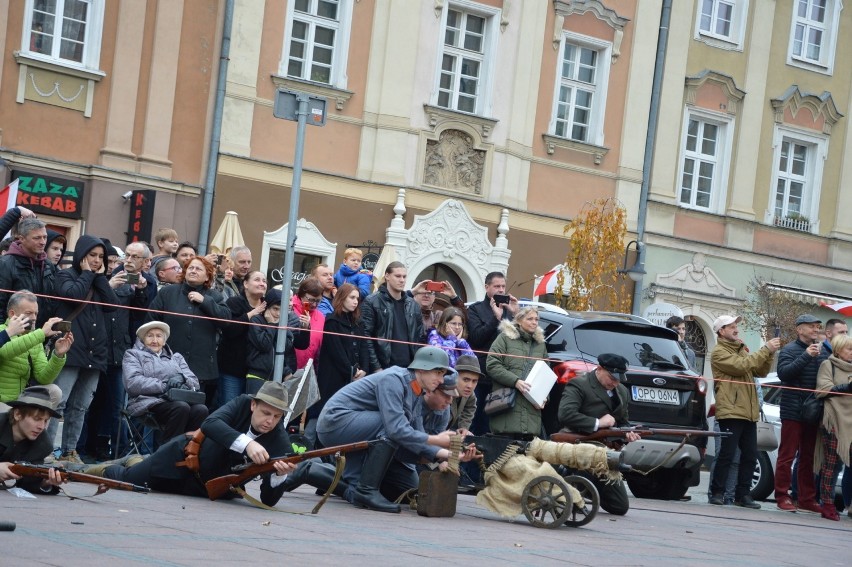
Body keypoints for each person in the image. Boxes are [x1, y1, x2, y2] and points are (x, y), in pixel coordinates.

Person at [91, 381, 299, 505]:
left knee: (139, 474)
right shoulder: (242, 403)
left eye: (277, 416)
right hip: (183, 460)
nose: (270, 421)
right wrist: (247, 444)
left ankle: (135, 460)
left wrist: (278, 477)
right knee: (128, 480)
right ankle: (81, 470)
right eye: (266, 413)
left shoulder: (280, 443)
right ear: (253, 405)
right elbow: (210, 423)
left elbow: (269, 501)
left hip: (213, 492)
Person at [316, 347, 460, 513]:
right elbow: (396, 430)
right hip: (334, 422)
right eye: (439, 373)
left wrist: (449, 455)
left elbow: (416, 440)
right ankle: (367, 490)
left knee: (398, 488)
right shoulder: (394, 379)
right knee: (390, 426)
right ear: (422, 368)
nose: (441, 380)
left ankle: (311, 471)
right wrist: (437, 441)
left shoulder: (416, 390)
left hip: (356, 429)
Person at [50, 235, 123, 463]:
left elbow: (112, 306)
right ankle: (49, 451)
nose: (96, 260)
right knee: (58, 403)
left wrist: (99, 277)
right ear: (81, 255)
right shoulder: (65, 275)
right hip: (70, 350)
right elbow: (72, 296)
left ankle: (70, 452)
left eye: (100, 257)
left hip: (95, 352)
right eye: (92, 255)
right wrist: (88, 274)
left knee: (80, 406)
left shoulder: (97, 279)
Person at [85, 240, 157, 460]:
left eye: (135, 257)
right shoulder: (109, 276)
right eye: (127, 255)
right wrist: (110, 285)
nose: (129, 260)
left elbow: (142, 315)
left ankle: (119, 452)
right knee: (91, 404)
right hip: (98, 348)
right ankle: (85, 448)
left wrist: (142, 291)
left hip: (123, 350)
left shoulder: (149, 282)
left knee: (117, 406)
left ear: (146, 262)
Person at [709, 314, 780, 509]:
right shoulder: (718, 352)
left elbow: (761, 371)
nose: (736, 329)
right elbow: (742, 366)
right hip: (731, 410)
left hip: (748, 411)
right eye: (730, 326)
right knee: (727, 454)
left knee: (749, 455)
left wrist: (770, 354)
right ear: (721, 331)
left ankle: (743, 494)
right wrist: (765, 349)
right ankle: (717, 492)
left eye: (735, 325)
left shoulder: (740, 350)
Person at [557, 353, 639, 516]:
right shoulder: (580, 384)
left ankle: (588, 490)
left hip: (604, 452)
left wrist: (627, 433)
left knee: (619, 506)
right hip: (579, 444)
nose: (615, 382)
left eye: (619, 379)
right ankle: (576, 490)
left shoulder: (622, 391)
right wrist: (598, 423)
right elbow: (565, 414)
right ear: (599, 369)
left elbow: (623, 421)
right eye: (612, 377)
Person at [147, 256, 231, 407]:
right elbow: (151, 321)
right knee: (164, 409)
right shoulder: (168, 292)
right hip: (167, 364)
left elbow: (226, 321)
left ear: (207, 276)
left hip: (200, 369)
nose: (193, 271)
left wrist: (205, 301)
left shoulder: (214, 297)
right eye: (190, 268)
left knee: (194, 412)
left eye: (198, 269)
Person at [123, 321, 209, 444]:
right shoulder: (133, 355)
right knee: (181, 407)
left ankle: (188, 452)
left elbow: (195, 383)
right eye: (150, 336)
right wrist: (165, 386)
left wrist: (182, 378)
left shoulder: (176, 358)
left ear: (164, 341)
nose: (154, 340)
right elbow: (132, 383)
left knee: (201, 410)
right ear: (142, 339)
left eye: (159, 336)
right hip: (147, 401)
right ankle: (168, 453)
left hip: (177, 400)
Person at [774, 313, 826, 513]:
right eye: (811, 326)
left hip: (813, 412)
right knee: (787, 455)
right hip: (792, 410)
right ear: (799, 329)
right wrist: (806, 356)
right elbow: (784, 374)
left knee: (808, 457)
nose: (815, 330)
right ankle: (782, 496)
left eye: (817, 326)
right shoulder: (789, 350)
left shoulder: (822, 353)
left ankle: (806, 498)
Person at [309, 283, 369, 445]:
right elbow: (337, 352)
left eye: (357, 298)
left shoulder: (359, 322)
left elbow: (364, 347)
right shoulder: (331, 321)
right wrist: (352, 371)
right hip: (333, 377)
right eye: (352, 297)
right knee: (327, 414)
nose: (355, 301)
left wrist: (363, 369)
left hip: (355, 377)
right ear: (342, 298)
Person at [465, 271, 519, 435]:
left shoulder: (510, 311)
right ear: (487, 287)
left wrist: (517, 314)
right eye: (497, 286)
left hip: (502, 376)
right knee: (474, 421)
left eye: (503, 286)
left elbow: (518, 340)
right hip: (480, 375)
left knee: (492, 425)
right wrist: (495, 318)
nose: (501, 290)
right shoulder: (475, 309)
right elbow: (476, 338)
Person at [485, 306, 547, 440]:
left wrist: (543, 397)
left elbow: (546, 375)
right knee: (504, 455)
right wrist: (515, 381)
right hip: (506, 408)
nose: (534, 322)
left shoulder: (540, 344)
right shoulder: (505, 338)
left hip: (531, 412)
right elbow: (492, 364)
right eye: (530, 318)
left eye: (536, 319)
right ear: (519, 320)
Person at [0, 291, 72, 402]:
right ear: (12, 314)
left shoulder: (35, 339)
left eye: (36, 313)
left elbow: (43, 378)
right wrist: (41, 334)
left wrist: (58, 355)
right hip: (2, 401)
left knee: (54, 391)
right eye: (29, 313)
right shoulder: (2, 331)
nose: (34, 318)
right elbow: (5, 352)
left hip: (20, 400)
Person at [814, 333, 852, 521]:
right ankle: (827, 504)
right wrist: (846, 387)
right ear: (838, 350)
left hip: (851, 421)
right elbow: (822, 390)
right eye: (850, 349)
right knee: (832, 464)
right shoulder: (827, 364)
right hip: (834, 418)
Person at [0, 385, 66, 494]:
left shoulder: (42, 445)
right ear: (17, 414)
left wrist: (46, 482)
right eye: (37, 419)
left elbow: (28, 482)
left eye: (45, 421)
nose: (41, 426)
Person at [361, 261, 425, 372]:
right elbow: (366, 337)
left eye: (404, 277)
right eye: (398, 276)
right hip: (384, 368)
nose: (402, 280)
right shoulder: (372, 301)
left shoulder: (413, 305)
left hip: (409, 369)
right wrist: (376, 367)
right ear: (387, 276)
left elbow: (419, 337)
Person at [218, 270, 269, 404]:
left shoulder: (269, 307)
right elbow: (230, 330)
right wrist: (252, 314)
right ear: (246, 284)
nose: (262, 283)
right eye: (257, 280)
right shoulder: (234, 303)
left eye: (264, 281)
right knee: (230, 407)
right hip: (232, 368)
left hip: (257, 372)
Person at [245, 289, 306, 395]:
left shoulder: (283, 322)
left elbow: (286, 347)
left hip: (277, 375)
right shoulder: (256, 320)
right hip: (257, 376)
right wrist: (271, 325)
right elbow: (264, 345)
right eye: (275, 309)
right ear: (266, 307)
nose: (278, 314)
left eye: (281, 310)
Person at [0, 217, 57, 325]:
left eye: (45, 237)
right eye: (37, 238)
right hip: (14, 336)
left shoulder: (48, 265)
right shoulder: (5, 264)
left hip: (42, 335)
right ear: (21, 239)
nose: (43, 242)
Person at [292, 277, 326, 370]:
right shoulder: (290, 309)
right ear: (301, 295)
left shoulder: (320, 317)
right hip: (289, 367)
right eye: (311, 300)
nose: (314, 304)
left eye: (318, 301)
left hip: (309, 369)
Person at [449, 355, 481, 432]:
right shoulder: (443, 392)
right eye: (466, 380)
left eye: (474, 381)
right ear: (455, 376)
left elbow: (470, 408)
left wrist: (463, 427)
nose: (470, 386)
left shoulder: (470, 395)